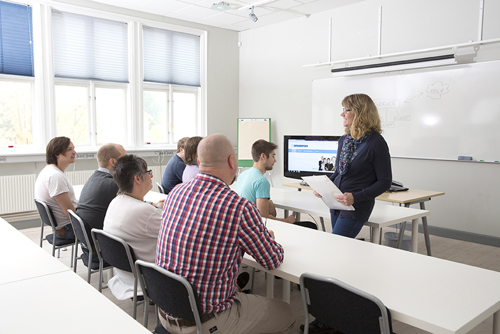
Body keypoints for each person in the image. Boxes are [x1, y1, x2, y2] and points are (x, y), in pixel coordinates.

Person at [156, 134, 295, 334]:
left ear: (198, 161)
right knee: (287, 313)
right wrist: (265, 238)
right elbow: (272, 260)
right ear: (232, 161)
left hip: (167, 311)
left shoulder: (175, 193)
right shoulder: (238, 208)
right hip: (204, 321)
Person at [314, 93, 392, 238]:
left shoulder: (376, 142)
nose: (342, 114)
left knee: (337, 244)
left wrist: (356, 197)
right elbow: (338, 172)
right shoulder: (345, 140)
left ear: (361, 113)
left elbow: (385, 181)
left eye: (347, 110)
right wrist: (323, 187)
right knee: (340, 245)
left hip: (356, 206)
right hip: (336, 203)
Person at [103, 154, 163, 300]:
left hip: (126, 275)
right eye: (148, 172)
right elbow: (177, 231)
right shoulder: (144, 212)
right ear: (137, 178)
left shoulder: (116, 201)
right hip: (151, 278)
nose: (151, 176)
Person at [75, 143, 126, 264]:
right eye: (124, 159)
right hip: (103, 251)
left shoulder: (94, 178)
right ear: (113, 162)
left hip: (89, 247)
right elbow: (133, 207)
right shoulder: (112, 185)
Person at [235, 139, 296, 224]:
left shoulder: (243, 175)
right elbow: (263, 217)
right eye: (273, 156)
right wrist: (287, 221)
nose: (275, 160)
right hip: (255, 228)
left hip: (241, 224)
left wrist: (268, 202)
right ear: (263, 156)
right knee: (311, 225)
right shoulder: (261, 181)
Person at [34, 136, 77, 242]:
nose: (74, 152)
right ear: (57, 154)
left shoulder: (49, 171)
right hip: (68, 229)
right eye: (69, 149)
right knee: (104, 225)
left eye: (73, 148)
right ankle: (94, 256)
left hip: (63, 227)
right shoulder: (55, 176)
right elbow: (70, 213)